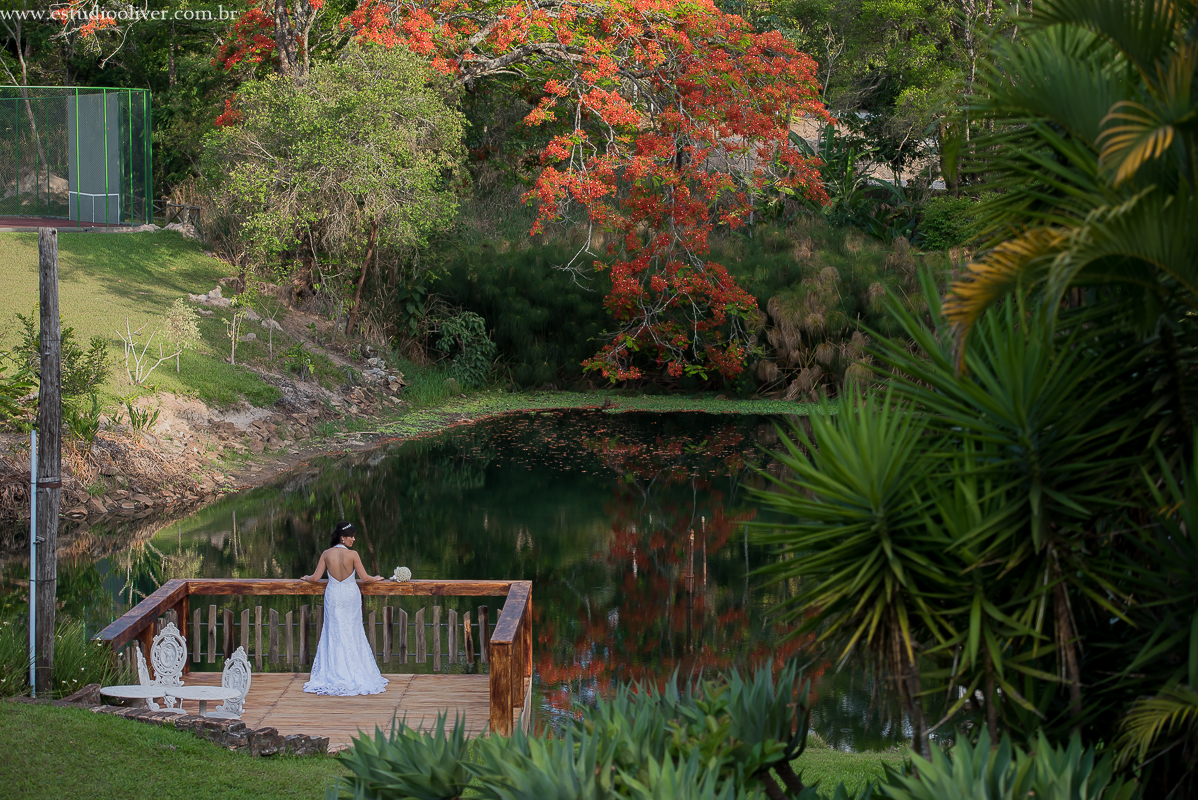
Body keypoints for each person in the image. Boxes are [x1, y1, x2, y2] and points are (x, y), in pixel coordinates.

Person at [301, 521, 389, 696]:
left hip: (333, 594)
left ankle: (334, 671)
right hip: (350, 595)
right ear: (343, 537)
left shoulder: (327, 554)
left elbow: (316, 577)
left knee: (334, 631)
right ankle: (355, 670)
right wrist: (377, 578)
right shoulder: (353, 555)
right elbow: (364, 577)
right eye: (351, 536)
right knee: (352, 630)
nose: (354, 539)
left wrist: (306, 578)